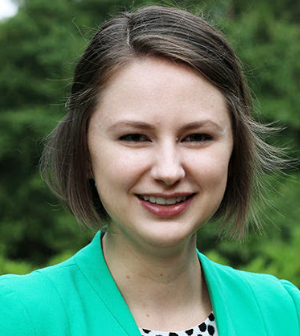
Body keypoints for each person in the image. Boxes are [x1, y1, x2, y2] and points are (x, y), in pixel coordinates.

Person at [0, 5, 299, 336]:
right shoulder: (16, 315)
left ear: (234, 149)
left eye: (197, 137)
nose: (169, 171)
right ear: (84, 152)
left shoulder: (284, 311)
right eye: (135, 137)